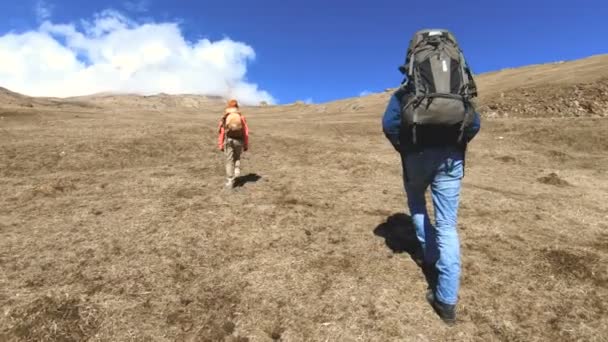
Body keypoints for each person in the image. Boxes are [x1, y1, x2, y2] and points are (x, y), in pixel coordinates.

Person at [382, 29, 481, 325]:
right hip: (451, 158)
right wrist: (456, 145)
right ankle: (447, 300)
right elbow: (473, 123)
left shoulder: (405, 93)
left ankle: (429, 257)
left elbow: (389, 124)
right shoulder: (459, 89)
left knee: (417, 206)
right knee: (448, 225)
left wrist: (406, 148)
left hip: (416, 159)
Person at [218, 99, 249, 189]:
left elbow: (222, 131)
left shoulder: (226, 117)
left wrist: (220, 144)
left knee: (229, 160)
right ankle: (237, 171)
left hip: (229, 140)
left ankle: (230, 180)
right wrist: (246, 144)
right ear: (237, 107)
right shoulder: (241, 117)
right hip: (239, 141)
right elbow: (245, 131)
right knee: (237, 157)